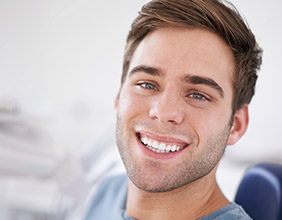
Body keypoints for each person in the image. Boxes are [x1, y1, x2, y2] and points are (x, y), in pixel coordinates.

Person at [85, 0, 262, 219]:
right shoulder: (108, 193)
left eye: (198, 95)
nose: (163, 111)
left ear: (236, 125)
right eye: (147, 84)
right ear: (119, 97)